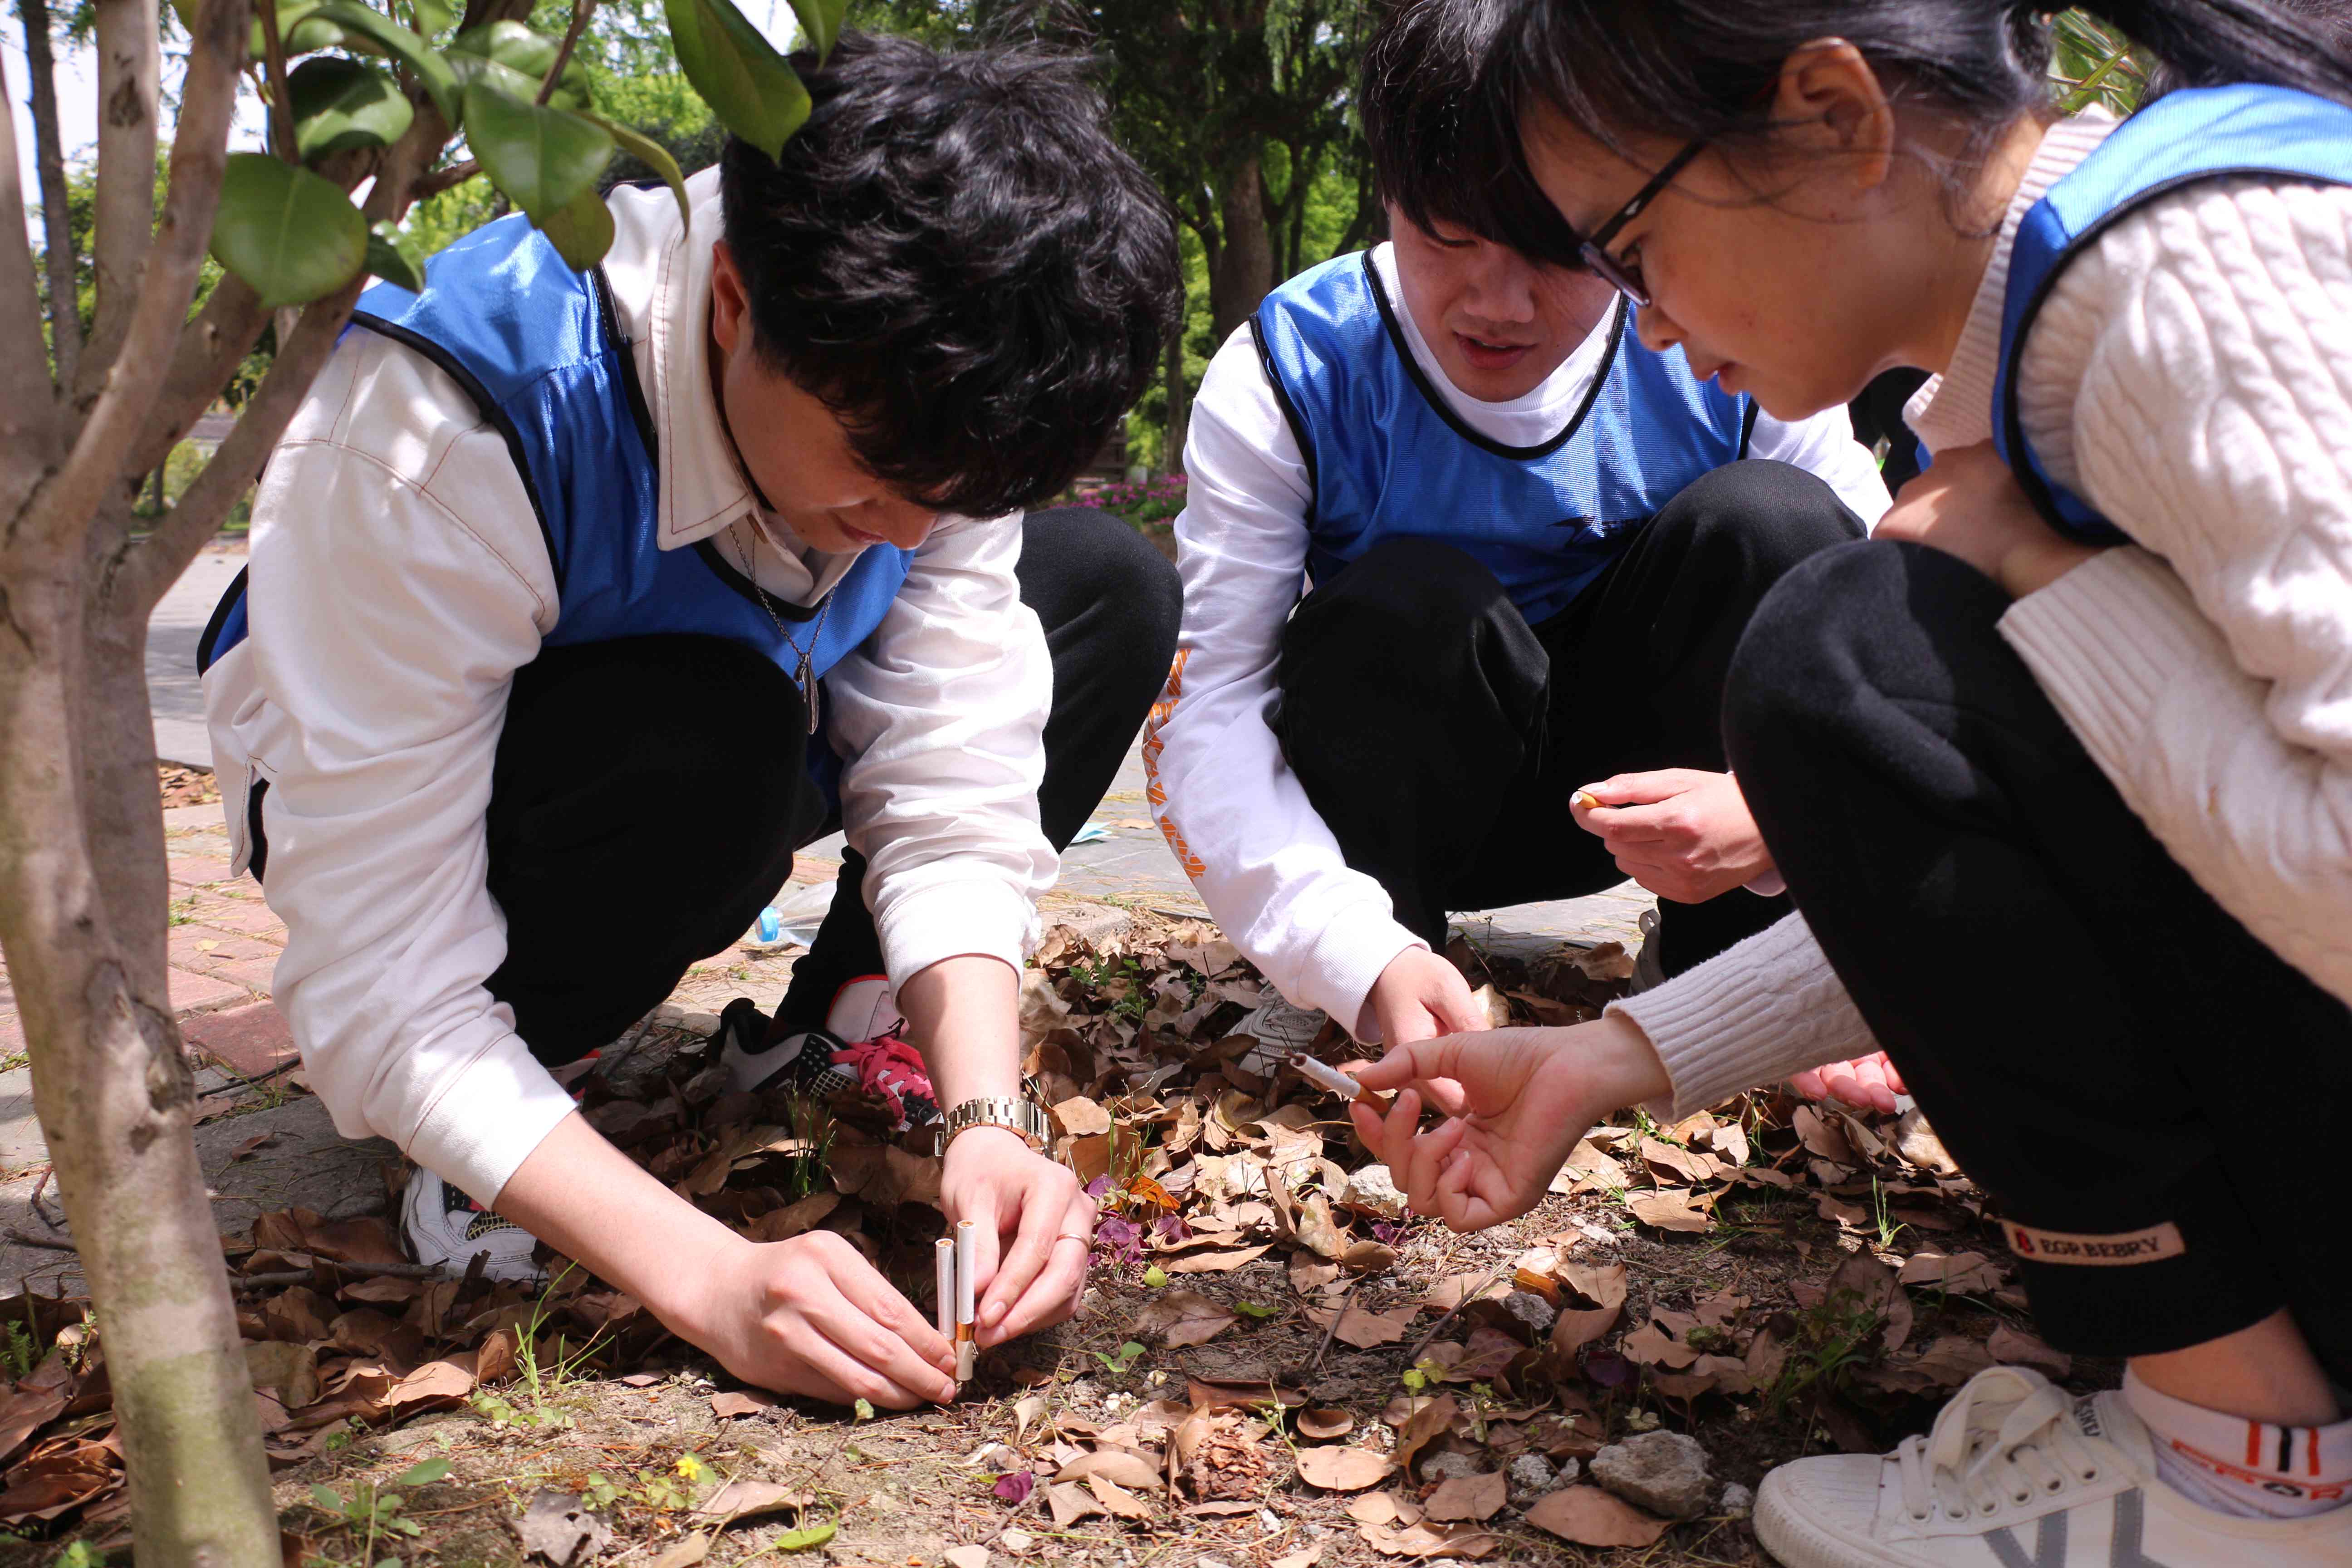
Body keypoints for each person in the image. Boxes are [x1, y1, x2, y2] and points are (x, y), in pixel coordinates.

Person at [1349, 1, 2352, 1563]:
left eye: (1630, 239)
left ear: (1833, 117)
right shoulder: (2031, 357)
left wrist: (2035, 571)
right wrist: (1613, 1058)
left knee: (1849, 650)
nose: (1646, 321)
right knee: (1872, 659)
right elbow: (2097, 854)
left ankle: (2246, 1485)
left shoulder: (2189, 284)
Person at [196, 33, 1182, 1410]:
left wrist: (988, 1112)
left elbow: (953, 766)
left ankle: (851, 1018)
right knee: (701, 738)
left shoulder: (938, 395)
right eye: (878, 475)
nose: (908, 531)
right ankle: (517, 1102)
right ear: (732, 296)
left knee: (1107, 591)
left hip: (739, 717)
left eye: (953, 495)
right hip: (481, 797)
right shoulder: (437, 435)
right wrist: (709, 1278)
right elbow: (382, 987)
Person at [1144, 0, 1889, 1072]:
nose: (1497, 304)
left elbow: (1890, 608)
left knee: (1769, 522)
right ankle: (1403, 984)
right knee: (1405, 605)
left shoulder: (1716, 323)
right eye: (1447, 235)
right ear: (1390, 190)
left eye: (1557, 251)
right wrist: (1347, 952)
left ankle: (1731, 972)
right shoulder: (1293, 369)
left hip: (1673, 805)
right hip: (1414, 793)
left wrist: (1785, 810)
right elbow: (1210, 707)